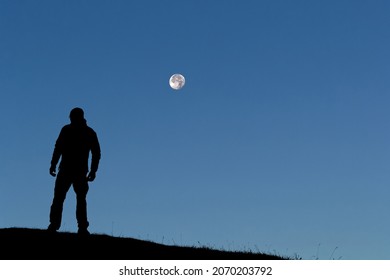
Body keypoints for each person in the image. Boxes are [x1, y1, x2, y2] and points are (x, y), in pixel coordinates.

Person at [47, 107, 101, 235]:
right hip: (69, 170)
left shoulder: (86, 132)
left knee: (77, 199)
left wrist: (93, 170)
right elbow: (58, 147)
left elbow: (96, 153)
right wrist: (53, 164)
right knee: (63, 198)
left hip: (77, 171)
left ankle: (80, 227)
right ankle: (58, 225)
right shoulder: (74, 131)